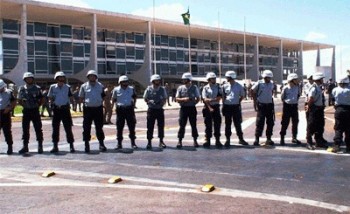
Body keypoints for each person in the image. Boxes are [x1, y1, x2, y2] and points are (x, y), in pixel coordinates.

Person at [79, 70, 107, 153]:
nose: (92, 77)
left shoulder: (100, 86)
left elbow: (103, 96)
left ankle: (101, 144)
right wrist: (82, 106)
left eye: (93, 76)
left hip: (98, 108)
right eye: (90, 76)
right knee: (86, 127)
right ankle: (86, 144)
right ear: (88, 77)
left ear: (96, 77)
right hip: (88, 109)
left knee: (99, 127)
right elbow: (81, 97)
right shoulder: (84, 86)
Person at [47, 71, 75, 153]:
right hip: (56, 109)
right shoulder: (52, 87)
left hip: (65, 109)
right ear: (56, 79)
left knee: (68, 128)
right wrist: (50, 105)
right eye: (59, 78)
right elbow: (50, 97)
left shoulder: (68, 87)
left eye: (62, 78)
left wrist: (73, 105)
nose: (61, 79)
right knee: (55, 128)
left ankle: (71, 145)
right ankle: (55, 146)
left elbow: (71, 97)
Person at [17, 72, 44, 154]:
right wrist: (25, 105)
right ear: (25, 80)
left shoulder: (37, 88)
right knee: (25, 129)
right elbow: (19, 100)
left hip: (35, 110)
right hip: (26, 111)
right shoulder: (21, 89)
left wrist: (37, 105)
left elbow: (42, 99)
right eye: (27, 79)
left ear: (33, 79)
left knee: (38, 128)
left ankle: (40, 146)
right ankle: (25, 146)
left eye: (30, 78)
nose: (29, 80)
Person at [222, 71, 248, 148]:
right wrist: (224, 105)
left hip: (236, 107)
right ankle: (227, 139)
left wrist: (237, 102)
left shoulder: (239, 86)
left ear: (231, 77)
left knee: (237, 124)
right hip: (227, 107)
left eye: (227, 77)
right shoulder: (224, 86)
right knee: (228, 124)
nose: (226, 78)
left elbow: (242, 96)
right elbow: (223, 96)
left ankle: (241, 139)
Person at [111, 75, 138, 150]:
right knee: (119, 127)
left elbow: (134, 97)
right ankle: (119, 143)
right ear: (120, 82)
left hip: (129, 109)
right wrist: (113, 107)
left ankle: (133, 143)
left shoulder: (131, 89)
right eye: (123, 82)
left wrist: (134, 105)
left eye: (126, 81)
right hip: (120, 109)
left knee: (131, 126)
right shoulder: (116, 89)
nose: (125, 83)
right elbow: (114, 99)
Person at [175, 72, 200, 148]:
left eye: (185, 79)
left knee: (193, 125)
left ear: (189, 80)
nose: (183, 81)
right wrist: (184, 99)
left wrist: (194, 103)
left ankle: (195, 140)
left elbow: (198, 98)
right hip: (183, 108)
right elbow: (176, 98)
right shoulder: (180, 88)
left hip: (192, 108)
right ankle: (180, 140)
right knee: (182, 125)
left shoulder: (194, 87)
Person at [251, 70, 275, 146]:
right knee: (260, 122)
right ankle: (257, 139)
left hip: (270, 105)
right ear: (265, 77)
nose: (270, 79)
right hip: (261, 105)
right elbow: (252, 91)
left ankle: (269, 138)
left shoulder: (271, 84)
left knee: (270, 123)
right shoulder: (259, 83)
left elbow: (271, 92)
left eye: (270, 78)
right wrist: (255, 101)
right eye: (268, 77)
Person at [143, 74, 167, 149]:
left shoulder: (162, 89)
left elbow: (164, 98)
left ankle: (161, 141)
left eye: (158, 80)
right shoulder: (149, 89)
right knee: (150, 126)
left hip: (159, 109)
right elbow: (145, 98)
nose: (158, 82)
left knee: (161, 126)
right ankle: (149, 142)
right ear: (153, 81)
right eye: (156, 80)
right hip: (151, 109)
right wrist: (149, 101)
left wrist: (162, 103)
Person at [305, 72, 328, 150]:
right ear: (318, 79)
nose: (322, 80)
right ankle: (309, 142)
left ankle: (319, 142)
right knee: (311, 126)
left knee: (320, 125)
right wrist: (309, 106)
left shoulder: (318, 87)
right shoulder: (314, 88)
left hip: (319, 109)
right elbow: (310, 98)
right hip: (314, 109)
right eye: (321, 78)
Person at [202, 72, 222, 148]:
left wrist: (211, 99)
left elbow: (219, 98)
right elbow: (204, 99)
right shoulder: (205, 88)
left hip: (216, 107)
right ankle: (208, 140)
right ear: (209, 80)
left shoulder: (218, 87)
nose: (214, 80)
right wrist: (210, 105)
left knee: (217, 124)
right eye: (213, 78)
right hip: (207, 108)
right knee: (208, 125)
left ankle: (217, 140)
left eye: (214, 78)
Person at [280, 73, 301, 146]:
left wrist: (294, 101)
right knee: (285, 123)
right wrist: (288, 102)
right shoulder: (285, 88)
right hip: (287, 106)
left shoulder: (297, 87)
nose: (297, 81)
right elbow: (282, 97)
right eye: (295, 79)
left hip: (294, 106)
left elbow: (298, 95)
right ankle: (282, 138)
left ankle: (294, 137)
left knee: (295, 122)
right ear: (291, 80)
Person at [331, 75, 350, 153]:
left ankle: (336, 146)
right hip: (348, 110)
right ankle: (348, 146)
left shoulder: (335, 90)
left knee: (338, 129)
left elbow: (332, 100)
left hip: (339, 109)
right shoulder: (349, 90)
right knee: (348, 129)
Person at [0, 79, 16, 154]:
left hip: (5, 113)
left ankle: (10, 146)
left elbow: (14, 102)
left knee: (7, 131)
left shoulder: (9, 92)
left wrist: (9, 108)